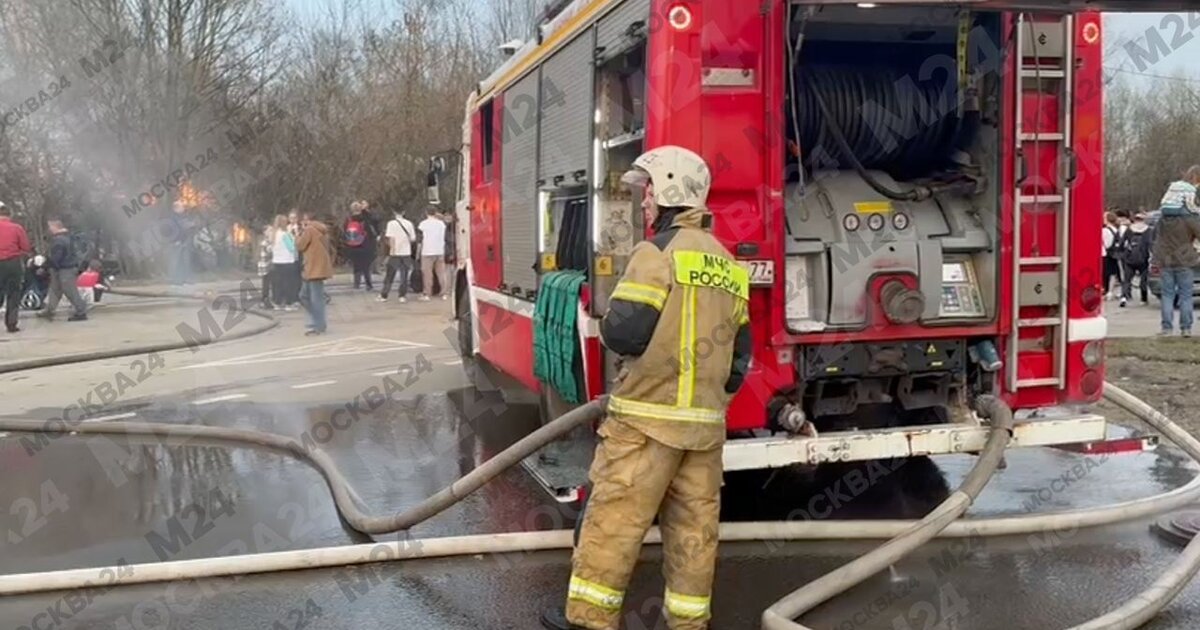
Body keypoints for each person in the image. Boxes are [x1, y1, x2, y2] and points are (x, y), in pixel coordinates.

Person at [542, 146, 753, 630]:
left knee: (613, 524)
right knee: (693, 535)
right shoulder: (728, 264)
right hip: (703, 433)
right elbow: (740, 360)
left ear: (671, 192)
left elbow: (623, 332)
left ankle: (590, 620)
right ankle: (688, 623)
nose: (644, 202)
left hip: (645, 423)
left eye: (650, 191)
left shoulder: (655, 254)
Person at [1152, 165, 1200, 337]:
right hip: (1185, 259)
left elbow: (1155, 236)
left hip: (1165, 259)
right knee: (1186, 295)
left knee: (1167, 295)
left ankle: (1166, 328)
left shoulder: (1163, 218)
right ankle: (1186, 328)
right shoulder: (1190, 217)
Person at [38, 219, 89, 322]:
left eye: (50, 227)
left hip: (64, 269)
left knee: (69, 290)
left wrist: (44, 267)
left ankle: (81, 311)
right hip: (66, 267)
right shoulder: (68, 237)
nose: (48, 229)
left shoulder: (59, 240)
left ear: (55, 227)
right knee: (55, 289)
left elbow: (56, 257)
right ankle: (49, 309)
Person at [296, 212, 333, 336]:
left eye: (302, 221)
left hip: (313, 268)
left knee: (315, 299)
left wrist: (297, 234)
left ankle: (319, 325)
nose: (301, 223)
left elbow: (300, 246)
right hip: (315, 268)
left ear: (307, 220)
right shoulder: (321, 229)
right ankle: (317, 320)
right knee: (304, 296)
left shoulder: (310, 230)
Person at [0, 201, 32, 333]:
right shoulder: (17, 228)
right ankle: (11, 324)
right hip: (13, 263)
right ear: (10, 215)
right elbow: (26, 247)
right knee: (14, 293)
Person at [379, 207, 417, 303]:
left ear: (394, 212)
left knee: (390, 275)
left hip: (395, 252)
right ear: (404, 212)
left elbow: (391, 238)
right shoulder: (409, 224)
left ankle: (384, 295)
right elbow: (413, 239)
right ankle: (402, 295)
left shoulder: (391, 224)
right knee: (404, 275)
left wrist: (392, 250)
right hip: (406, 252)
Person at [1119, 212, 1152, 307]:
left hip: (1129, 258)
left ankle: (1124, 297)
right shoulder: (1148, 230)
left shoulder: (1129, 229)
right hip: (1143, 258)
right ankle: (1143, 299)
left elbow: (1122, 243)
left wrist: (1122, 253)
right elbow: (1151, 244)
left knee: (1127, 279)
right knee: (1143, 279)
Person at [344, 201, 379, 291]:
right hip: (365, 244)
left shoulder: (348, 219)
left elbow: (345, 231)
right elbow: (375, 223)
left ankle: (356, 283)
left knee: (356, 265)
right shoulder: (365, 218)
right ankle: (368, 284)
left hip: (352, 245)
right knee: (366, 266)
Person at [418, 208, 448, 301]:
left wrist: (418, 252)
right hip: (439, 250)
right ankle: (444, 293)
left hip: (427, 251)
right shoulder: (441, 224)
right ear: (435, 213)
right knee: (441, 273)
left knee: (427, 274)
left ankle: (427, 293)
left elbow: (420, 238)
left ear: (426, 213)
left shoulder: (423, 224)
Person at [271, 214, 300, 310]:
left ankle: (277, 302)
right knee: (288, 283)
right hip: (287, 261)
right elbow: (292, 247)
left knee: (278, 283)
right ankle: (289, 303)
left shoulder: (274, 234)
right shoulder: (285, 235)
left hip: (276, 261)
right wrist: (294, 237)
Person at [168, 201, 193, 285]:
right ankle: (175, 280)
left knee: (183, 261)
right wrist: (175, 241)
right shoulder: (172, 218)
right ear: (176, 208)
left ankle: (183, 279)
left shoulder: (181, 217)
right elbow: (172, 231)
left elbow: (184, 227)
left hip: (183, 242)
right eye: (181, 207)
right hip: (177, 242)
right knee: (176, 261)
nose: (183, 209)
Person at [1101, 211, 1122, 300]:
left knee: (1105, 274)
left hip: (1106, 254)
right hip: (1114, 254)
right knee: (1113, 273)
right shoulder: (1116, 229)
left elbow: (1106, 244)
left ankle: (1106, 291)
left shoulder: (1105, 230)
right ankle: (1111, 291)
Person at [257, 224, 274, 309]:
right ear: (265, 233)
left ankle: (264, 300)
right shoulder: (265, 242)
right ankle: (265, 300)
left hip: (268, 265)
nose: (272, 232)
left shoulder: (268, 241)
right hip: (266, 266)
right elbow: (271, 251)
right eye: (270, 230)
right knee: (266, 284)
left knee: (267, 283)